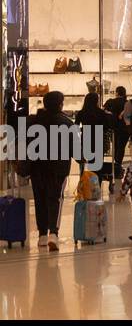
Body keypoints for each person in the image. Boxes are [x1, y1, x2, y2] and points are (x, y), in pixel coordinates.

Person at [27, 91, 74, 251]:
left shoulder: (32, 122)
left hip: (37, 167)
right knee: (54, 198)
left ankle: (42, 235)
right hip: (58, 168)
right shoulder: (67, 123)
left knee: (39, 199)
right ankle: (53, 233)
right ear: (60, 104)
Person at [73, 91, 113, 178]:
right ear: (96, 101)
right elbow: (107, 127)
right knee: (98, 164)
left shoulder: (81, 112)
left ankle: (88, 183)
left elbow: (75, 126)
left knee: (89, 161)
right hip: (98, 137)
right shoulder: (101, 113)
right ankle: (96, 183)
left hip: (86, 137)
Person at [103, 85, 129, 193]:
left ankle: (116, 166)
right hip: (125, 129)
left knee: (116, 146)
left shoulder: (111, 101)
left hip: (114, 129)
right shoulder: (128, 103)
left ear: (117, 93)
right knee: (121, 147)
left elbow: (103, 111)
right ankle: (118, 165)